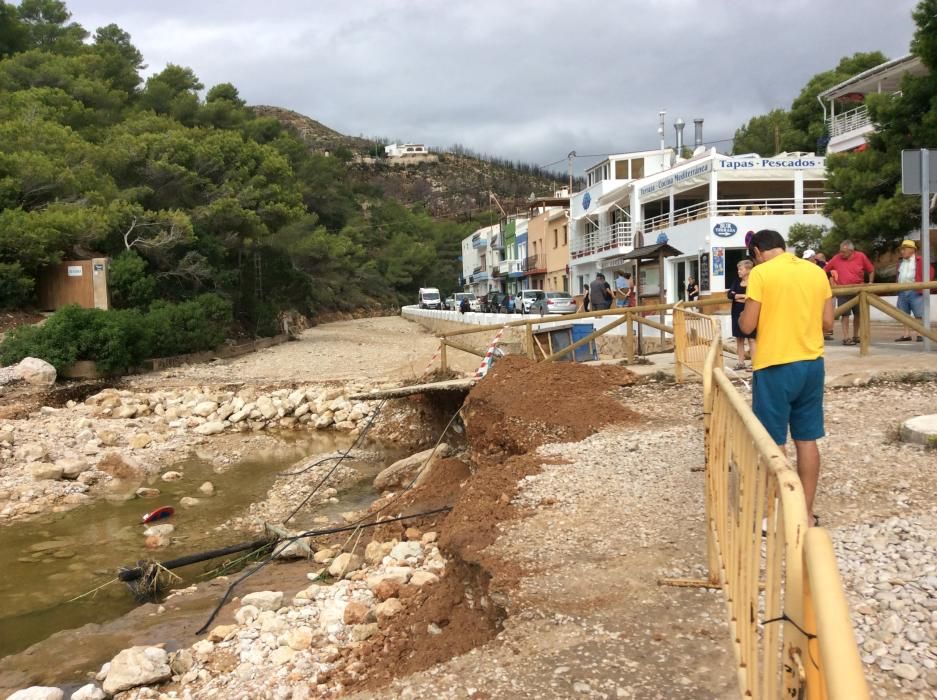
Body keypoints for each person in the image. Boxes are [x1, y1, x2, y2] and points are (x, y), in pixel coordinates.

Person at [740, 229, 833, 527]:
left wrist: (745, 315)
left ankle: (778, 513)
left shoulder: (762, 274)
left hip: (774, 365)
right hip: (812, 363)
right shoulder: (816, 272)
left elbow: (748, 325)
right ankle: (804, 513)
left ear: (756, 252)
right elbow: (828, 323)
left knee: (773, 442)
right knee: (807, 439)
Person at [824, 240, 874, 345]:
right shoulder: (836, 258)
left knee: (858, 314)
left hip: (859, 291)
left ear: (851, 251)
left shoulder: (861, 256)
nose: (841, 254)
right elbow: (825, 270)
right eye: (840, 251)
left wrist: (870, 283)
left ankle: (856, 335)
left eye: (844, 252)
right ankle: (846, 337)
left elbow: (871, 269)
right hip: (843, 290)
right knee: (845, 315)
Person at [895, 239, 934, 342]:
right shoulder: (900, 262)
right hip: (902, 290)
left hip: (915, 290)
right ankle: (906, 334)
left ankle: (920, 333)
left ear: (912, 250)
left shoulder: (920, 260)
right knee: (904, 314)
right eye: (901, 249)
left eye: (904, 249)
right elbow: (899, 275)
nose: (902, 251)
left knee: (919, 314)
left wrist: (922, 285)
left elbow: (930, 272)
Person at [727, 259, 757, 370]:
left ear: (748, 270)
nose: (738, 271)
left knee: (751, 339)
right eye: (738, 269)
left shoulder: (754, 282)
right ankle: (740, 362)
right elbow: (730, 294)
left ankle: (754, 363)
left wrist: (737, 296)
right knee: (739, 338)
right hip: (736, 312)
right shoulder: (736, 281)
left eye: (740, 269)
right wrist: (742, 296)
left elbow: (752, 297)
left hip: (750, 312)